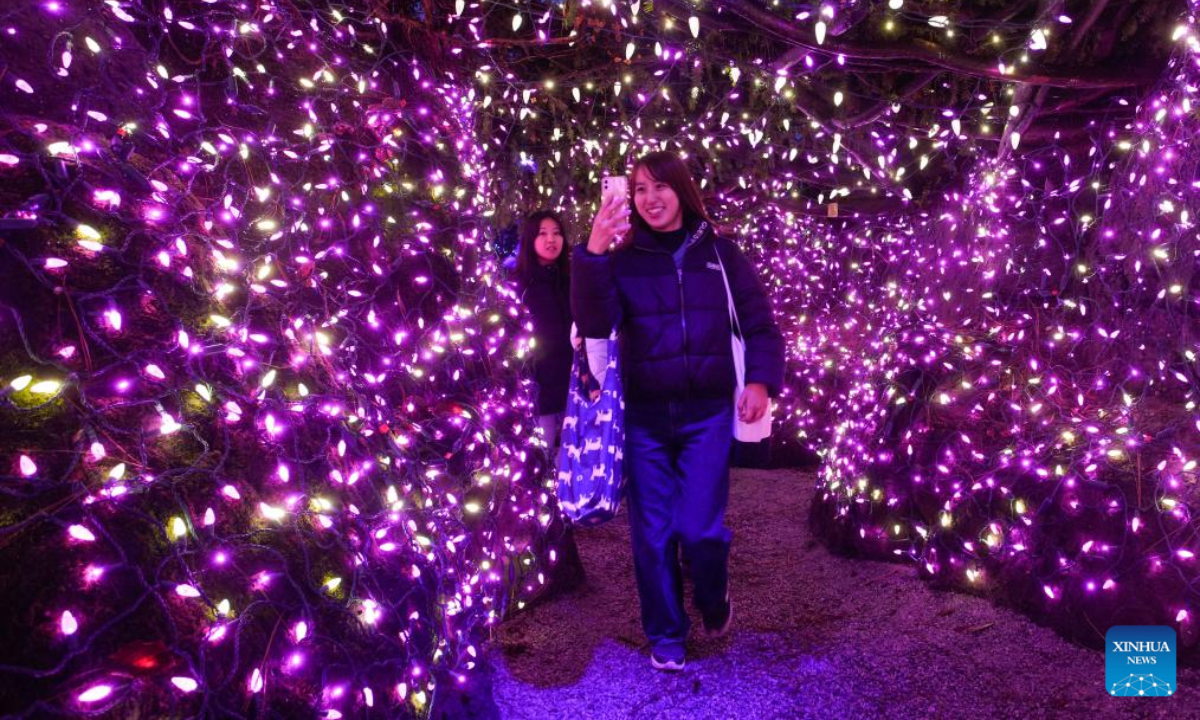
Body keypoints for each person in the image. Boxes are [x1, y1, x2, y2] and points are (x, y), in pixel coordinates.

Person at [572, 151, 784, 671]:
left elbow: (760, 323)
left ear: (682, 190)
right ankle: (666, 633)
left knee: (700, 529)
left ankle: (712, 595)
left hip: (706, 414)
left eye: (660, 186)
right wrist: (593, 253)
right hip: (643, 418)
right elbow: (593, 323)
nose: (650, 198)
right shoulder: (621, 261)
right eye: (639, 189)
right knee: (653, 533)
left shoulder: (720, 252)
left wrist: (759, 380)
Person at [514, 209, 587, 594]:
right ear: (530, 239)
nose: (551, 239)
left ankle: (566, 538)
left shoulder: (571, 280)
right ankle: (546, 549)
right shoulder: (519, 284)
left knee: (568, 465)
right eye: (542, 233)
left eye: (557, 232)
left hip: (571, 387)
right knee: (541, 472)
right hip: (539, 391)